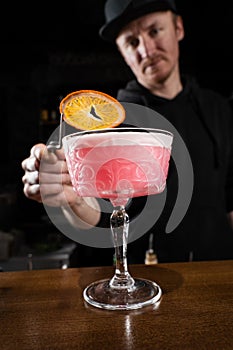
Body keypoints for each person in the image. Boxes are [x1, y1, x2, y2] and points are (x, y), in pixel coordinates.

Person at [21, 0, 233, 266]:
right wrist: (67, 196)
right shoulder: (108, 123)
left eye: (155, 31)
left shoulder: (219, 108)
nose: (146, 50)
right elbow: (93, 211)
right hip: (148, 279)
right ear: (122, 52)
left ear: (178, 27)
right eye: (132, 42)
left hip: (221, 270)